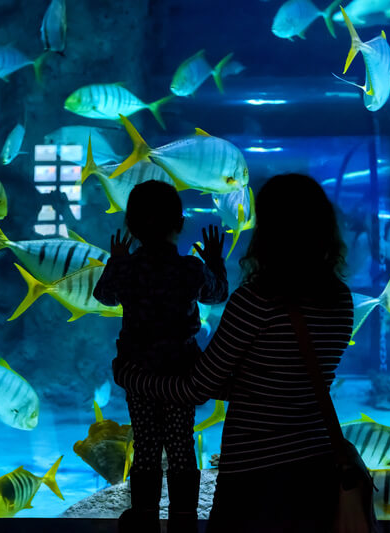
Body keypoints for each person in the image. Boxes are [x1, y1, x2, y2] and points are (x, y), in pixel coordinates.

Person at [113, 174, 354, 533]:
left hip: (255, 473)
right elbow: (277, 382)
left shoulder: (255, 301)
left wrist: (130, 376)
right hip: (316, 468)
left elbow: (197, 388)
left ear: (268, 231)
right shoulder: (340, 299)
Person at [93, 180, 229, 533]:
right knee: (181, 443)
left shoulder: (128, 269)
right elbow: (217, 295)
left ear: (131, 228)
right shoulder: (190, 269)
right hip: (180, 375)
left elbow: (104, 296)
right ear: (180, 224)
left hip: (138, 373)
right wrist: (214, 259)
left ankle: (144, 516)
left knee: (147, 443)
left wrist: (116, 261)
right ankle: (184, 519)